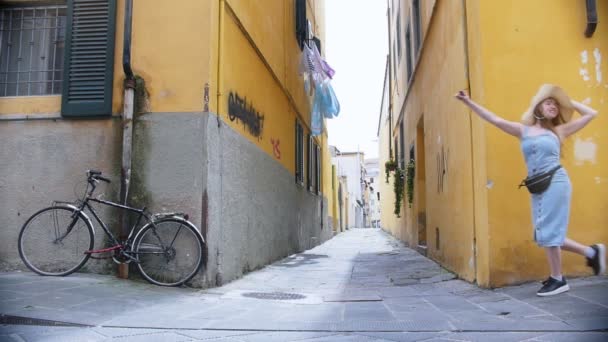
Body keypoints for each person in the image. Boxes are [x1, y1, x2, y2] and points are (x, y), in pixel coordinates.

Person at [455, 84, 605, 296]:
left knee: (549, 231)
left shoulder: (559, 131)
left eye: (555, 105)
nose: (553, 106)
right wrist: (468, 102)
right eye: (549, 102)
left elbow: (591, 114)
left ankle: (558, 278)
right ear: (538, 107)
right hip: (537, 187)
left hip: (556, 181)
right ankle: (591, 252)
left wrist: (567, 103)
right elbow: (495, 120)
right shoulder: (522, 130)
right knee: (544, 233)